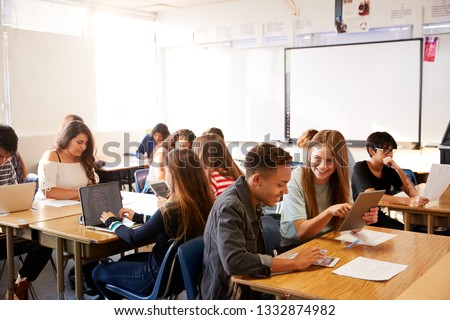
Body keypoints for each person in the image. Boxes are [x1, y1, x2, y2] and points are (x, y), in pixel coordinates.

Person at [201, 142, 325, 300]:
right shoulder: (230, 207)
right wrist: (294, 263)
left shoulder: (251, 200)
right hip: (232, 296)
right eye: (281, 184)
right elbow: (235, 261)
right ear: (257, 179)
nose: (286, 191)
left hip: (251, 287)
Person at [91, 148, 214, 299]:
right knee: (124, 260)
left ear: (175, 175)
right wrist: (138, 217)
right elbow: (166, 223)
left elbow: (133, 237)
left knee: (97, 272)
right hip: (179, 275)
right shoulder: (205, 203)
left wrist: (111, 221)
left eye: (166, 170)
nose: (164, 174)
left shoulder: (171, 208)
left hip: (153, 278)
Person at [280, 130, 378, 250]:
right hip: (296, 247)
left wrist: (362, 219)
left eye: (330, 160)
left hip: (328, 240)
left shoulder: (341, 179)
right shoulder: (295, 179)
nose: (322, 166)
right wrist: (329, 212)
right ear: (309, 153)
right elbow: (302, 234)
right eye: (317, 158)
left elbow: (352, 227)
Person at [0, 124, 53, 300]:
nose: (3, 162)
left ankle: (19, 285)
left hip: (9, 228)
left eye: (7, 158)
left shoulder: (6, 165)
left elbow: (13, 195)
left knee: (46, 241)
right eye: (0, 156)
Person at [351, 131, 429, 230]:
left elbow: (413, 194)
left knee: (411, 231)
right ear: (372, 151)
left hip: (378, 217)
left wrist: (398, 169)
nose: (390, 155)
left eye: (392, 150)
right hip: (362, 220)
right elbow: (373, 197)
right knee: (407, 232)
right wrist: (408, 201)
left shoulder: (388, 169)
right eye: (385, 150)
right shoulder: (360, 167)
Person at [37, 120, 98, 200]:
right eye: (79, 142)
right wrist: (82, 193)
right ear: (67, 139)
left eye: (86, 143)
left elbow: (91, 186)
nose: (83, 147)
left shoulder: (84, 158)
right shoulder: (52, 156)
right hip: (52, 207)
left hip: (77, 204)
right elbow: (48, 192)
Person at [143, 128, 196, 193]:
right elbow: (160, 176)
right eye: (181, 146)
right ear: (175, 141)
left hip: (171, 187)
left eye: (187, 148)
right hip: (155, 189)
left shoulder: (182, 154)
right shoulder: (162, 151)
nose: (183, 150)